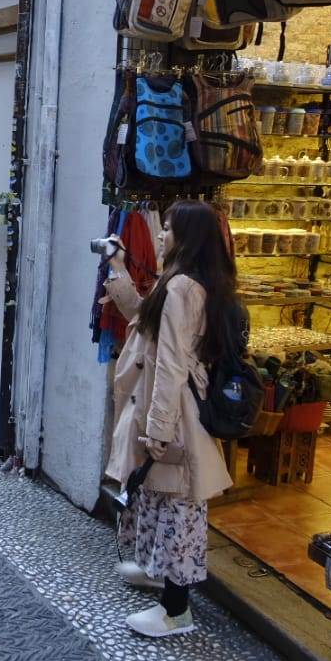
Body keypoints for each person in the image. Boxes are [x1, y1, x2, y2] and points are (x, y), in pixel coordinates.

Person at [99, 200, 236, 638]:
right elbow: (140, 317)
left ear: (188, 238)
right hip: (167, 410)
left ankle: (177, 612)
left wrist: (156, 430)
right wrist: (118, 266)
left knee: (178, 507)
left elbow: (172, 364)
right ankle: (159, 574)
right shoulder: (182, 283)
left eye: (170, 229)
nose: (161, 234)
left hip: (173, 415)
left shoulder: (182, 289)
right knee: (159, 500)